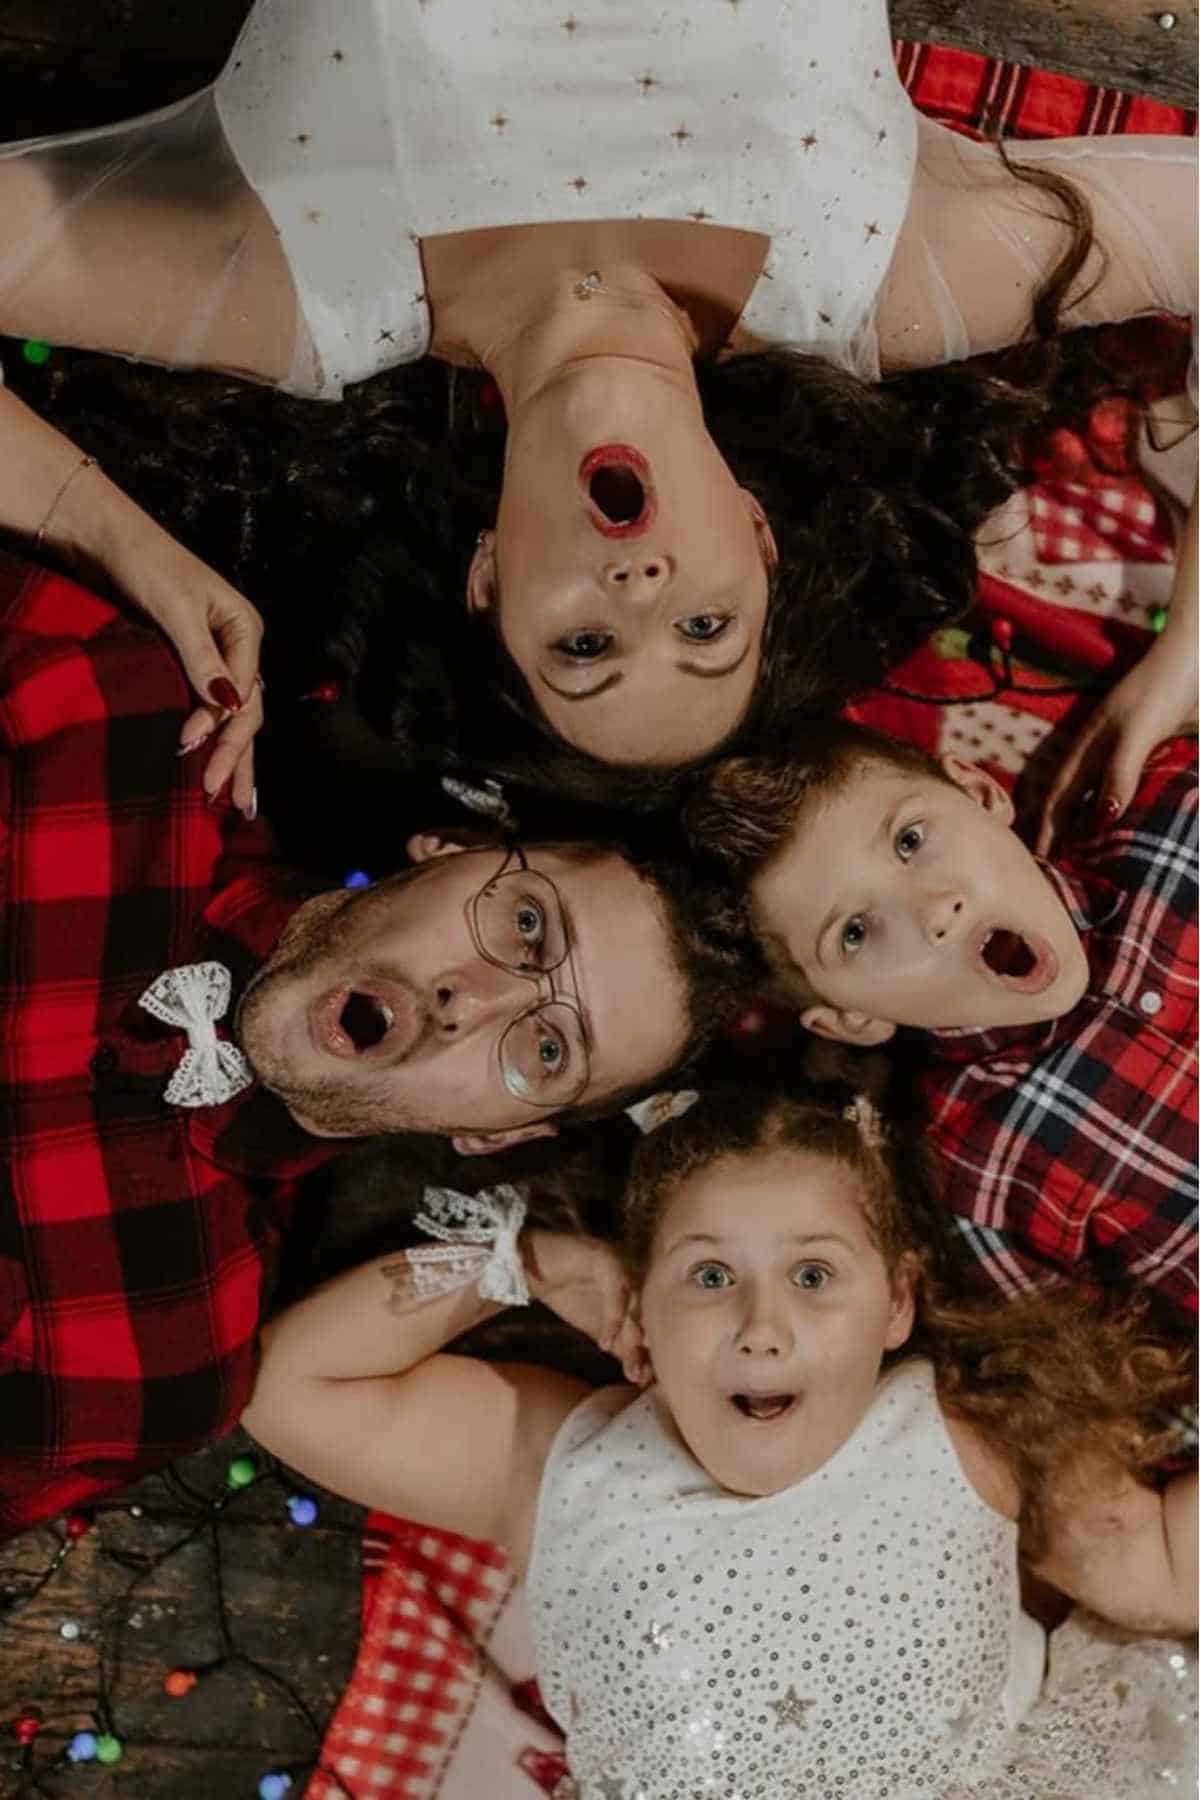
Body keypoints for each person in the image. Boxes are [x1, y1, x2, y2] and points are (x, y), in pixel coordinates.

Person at [0, 0, 1194, 787]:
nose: (640, 593)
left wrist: (129, 548)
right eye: (703, 631)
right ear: (759, 539)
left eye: (585, 645)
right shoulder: (875, 281)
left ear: (488, 579)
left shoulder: (302, 291)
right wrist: (1186, 653)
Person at [0, 547, 752, 1538]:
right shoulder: (112, 709)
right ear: (450, 849)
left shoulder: (153, 1359)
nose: (472, 1000)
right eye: (525, 923)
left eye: (548, 1051)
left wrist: (519, 1260)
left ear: (493, 1137)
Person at [242, 1079, 1197, 1798]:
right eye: (707, 1278)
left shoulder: (970, 1428)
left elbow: (1161, 1565)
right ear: (638, 1310)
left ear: (897, 1301)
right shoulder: (560, 1462)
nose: (761, 1323)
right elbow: (286, 1390)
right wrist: (526, 1260)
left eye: (815, 1276)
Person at [686, 720, 1198, 1320]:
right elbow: (1100, 1370)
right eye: (854, 933)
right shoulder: (974, 1183)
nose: (934, 911)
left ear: (980, 793)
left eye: (909, 840)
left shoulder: (1179, 812)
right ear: (853, 1020)